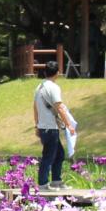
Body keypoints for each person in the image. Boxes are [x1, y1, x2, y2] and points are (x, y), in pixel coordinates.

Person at [33, 61, 75, 190]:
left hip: (43, 127)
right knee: (49, 156)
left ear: (45, 72)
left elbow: (35, 108)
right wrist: (69, 125)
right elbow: (59, 107)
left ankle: (56, 181)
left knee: (59, 154)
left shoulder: (39, 87)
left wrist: (37, 125)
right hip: (51, 127)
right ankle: (43, 184)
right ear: (58, 73)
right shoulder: (54, 87)